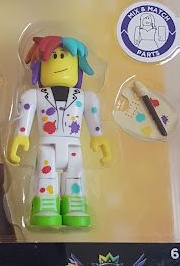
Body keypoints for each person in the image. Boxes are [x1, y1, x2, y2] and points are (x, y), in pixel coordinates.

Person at [8, 35, 111, 227]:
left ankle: (75, 206)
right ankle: (45, 206)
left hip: (73, 146)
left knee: (75, 175)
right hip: (47, 146)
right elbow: (25, 116)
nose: (59, 61)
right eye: (54, 57)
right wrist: (21, 136)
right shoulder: (34, 96)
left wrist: (98, 137)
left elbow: (94, 118)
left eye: (64, 56)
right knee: (45, 176)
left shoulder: (86, 97)